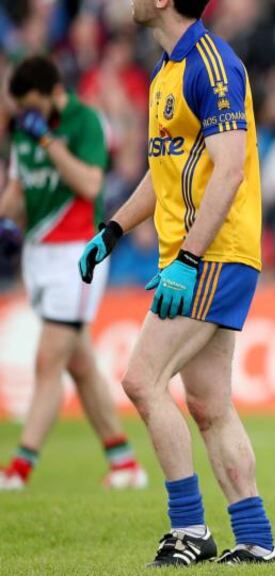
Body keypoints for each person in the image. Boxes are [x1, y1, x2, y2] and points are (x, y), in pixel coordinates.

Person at [77, 0, 275, 566]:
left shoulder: (212, 63)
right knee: (210, 404)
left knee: (142, 381)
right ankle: (256, 538)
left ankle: (190, 528)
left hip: (214, 253)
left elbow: (231, 168)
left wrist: (187, 258)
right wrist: (114, 228)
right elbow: (164, 169)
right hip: (197, 253)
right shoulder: (168, 67)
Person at [0, 56, 147, 492]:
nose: (27, 114)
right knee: (80, 363)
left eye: (32, 105)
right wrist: (6, 220)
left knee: (49, 361)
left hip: (75, 256)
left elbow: (90, 184)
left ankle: (20, 469)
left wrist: (48, 142)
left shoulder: (85, 122)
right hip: (38, 253)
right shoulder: (24, 128)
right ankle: (123, 463)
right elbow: (18, 186)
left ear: (51, 94)